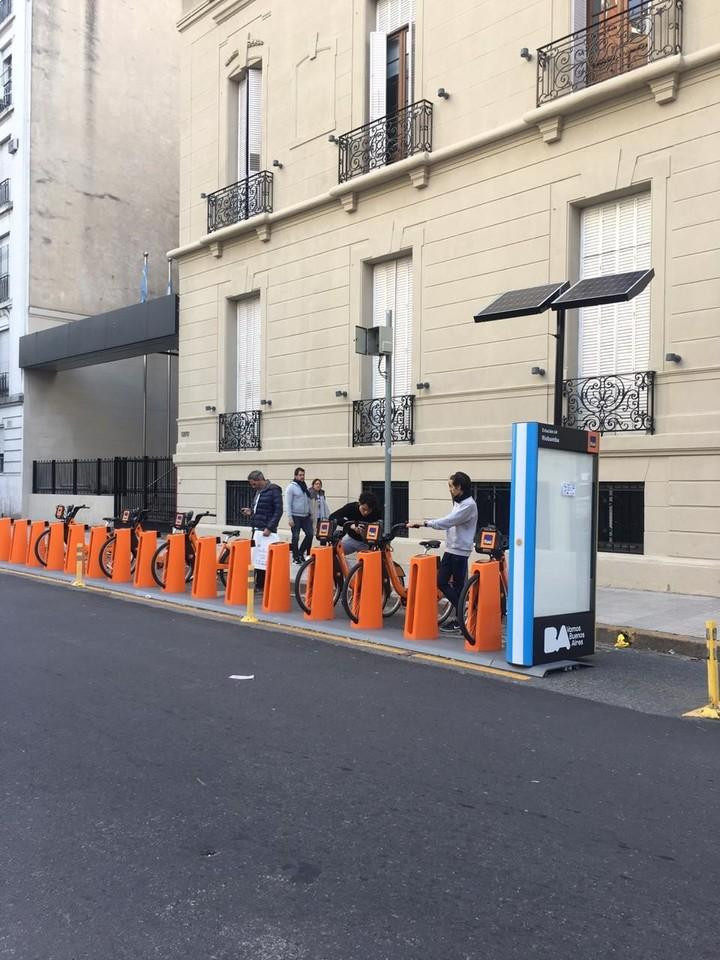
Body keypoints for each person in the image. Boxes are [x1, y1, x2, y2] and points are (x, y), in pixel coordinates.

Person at [408, 472, 478, 633]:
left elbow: (448, 521)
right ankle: (463, 613)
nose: (449, 489)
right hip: (450, 548)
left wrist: (424, 523)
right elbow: (449, 520)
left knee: (459, 586)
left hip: (460, 551)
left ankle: (462, 617)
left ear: (459, 487)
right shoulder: (459, 502)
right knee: (441, 582)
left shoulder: (468, 505)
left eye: (451, 486)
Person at [241, 470, 283, 590]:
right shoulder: (259, 491)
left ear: (260, 480)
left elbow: (278, 511)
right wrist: (251, 512)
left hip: (266, 530)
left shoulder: (274, 490)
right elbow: (260, 509)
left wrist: (269, 527)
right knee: (256, 557)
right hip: (257, 529)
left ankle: (262, 585)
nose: (252, 486)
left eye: (254, 484)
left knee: (264, 559)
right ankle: (257, 585)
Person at [329, 491, 381, 556]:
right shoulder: (351, 507)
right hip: (351, 539)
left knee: (371, 561)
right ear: (359, 503)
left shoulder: (376, 511)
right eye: (363, 509)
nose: (366, 512)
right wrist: (351, 525)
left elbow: (380, 525)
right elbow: (332, 517)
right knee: (333, 553)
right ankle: (344, 565)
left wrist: (368, 530)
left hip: (367, 543)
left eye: (369, 510)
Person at [285, 467, 313, 564]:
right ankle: (296, 557)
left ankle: (301, 553)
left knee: (310, 534)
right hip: (295, 516)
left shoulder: (304, 486)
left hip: (305, 516)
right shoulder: (291, 487)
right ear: (295, 476)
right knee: (295, 537)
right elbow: (288, 503)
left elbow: (308, 501)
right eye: (300, 475)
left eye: (303, 475)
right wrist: (290, 517)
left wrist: (310, 513)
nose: (302, 477)